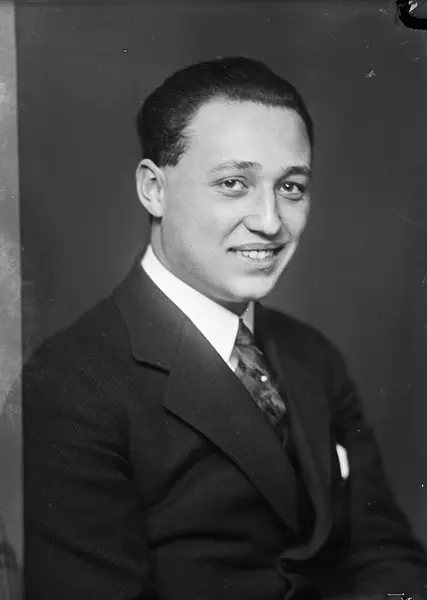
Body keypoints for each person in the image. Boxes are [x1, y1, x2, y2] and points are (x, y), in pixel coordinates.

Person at [23, 56, 427, 599]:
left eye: (292, 187)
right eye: (234, 183)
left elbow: (385, 554)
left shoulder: (312, 355)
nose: (269, 221)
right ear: (153, 189)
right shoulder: (69, 383)